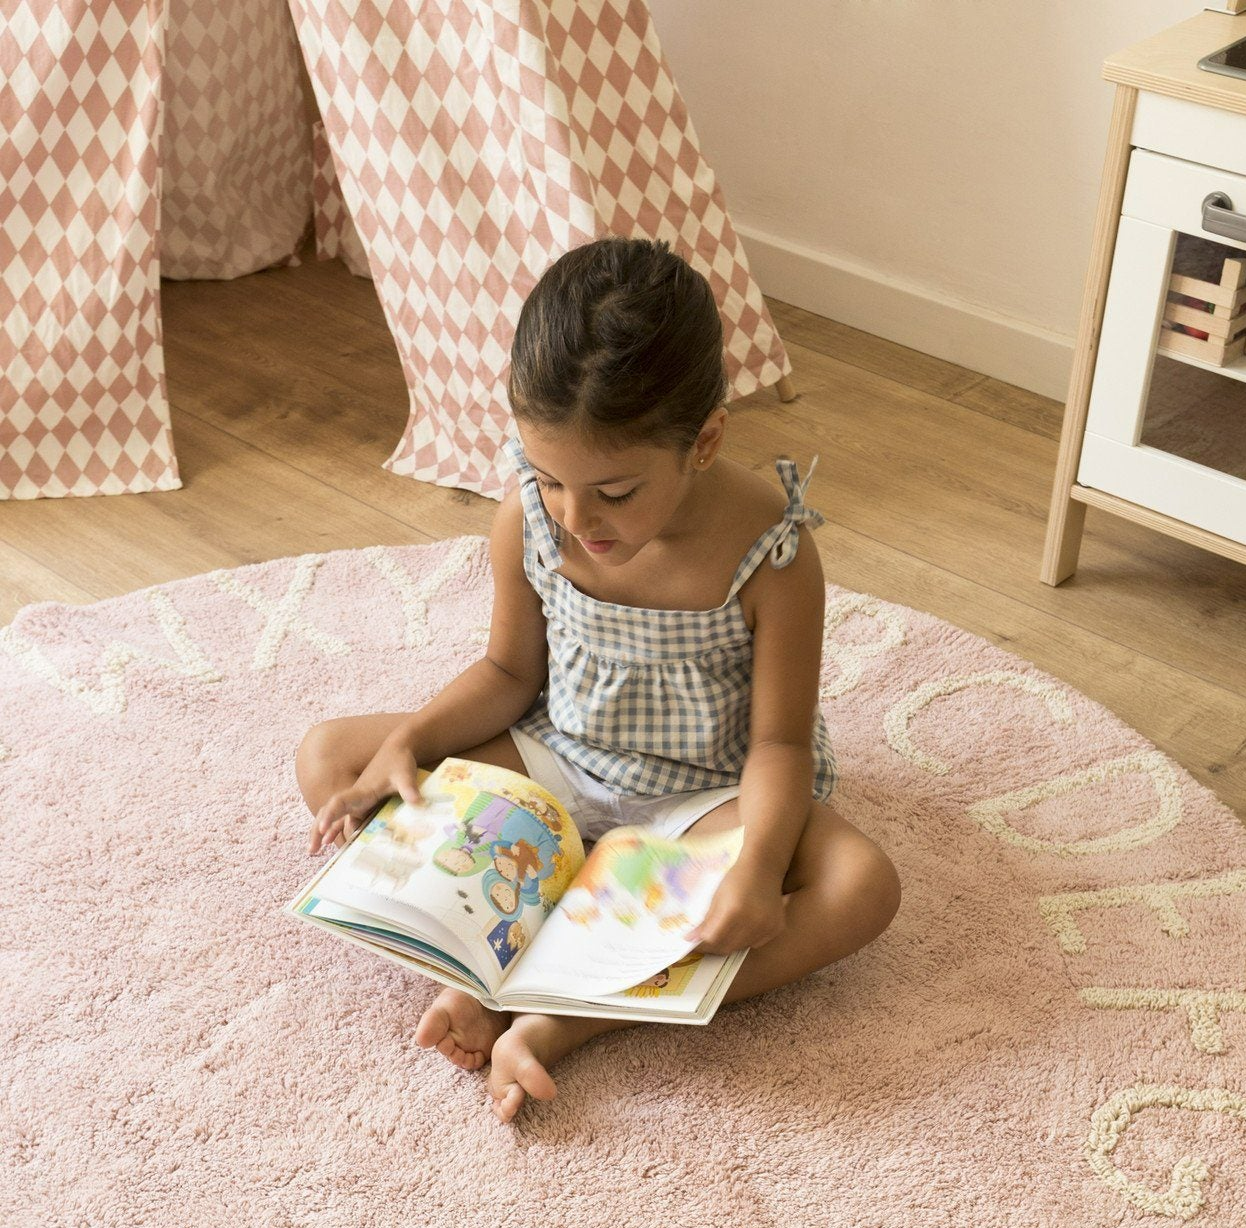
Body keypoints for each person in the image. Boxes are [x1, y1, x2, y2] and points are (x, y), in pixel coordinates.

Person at [295, 236, 901, 1121]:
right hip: (560, 761)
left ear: (705, 442)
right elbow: (508, 672)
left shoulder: (771, 550)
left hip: (707, 798)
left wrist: (758, 868)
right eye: (550, 481)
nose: (578, 520)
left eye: (614, 492)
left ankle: (567, 1019)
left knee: (860, 888)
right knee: (332, 758)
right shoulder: (531, 518)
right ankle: (490, 964)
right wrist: (408, 744)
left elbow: (776, 743)